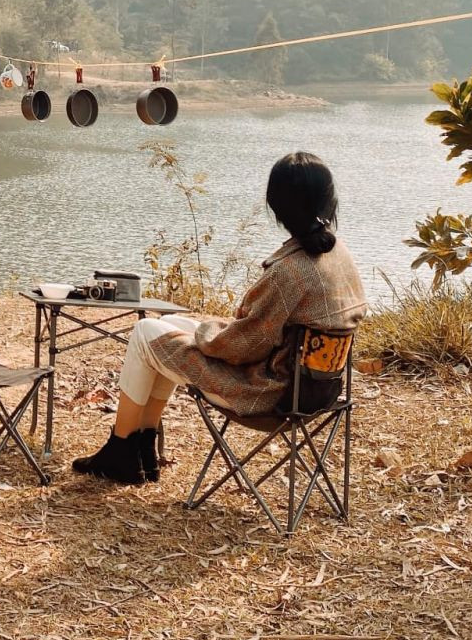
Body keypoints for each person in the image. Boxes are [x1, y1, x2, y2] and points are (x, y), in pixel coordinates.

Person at [72, 151, 368, 486]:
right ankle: (143, 447)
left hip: (269, 394)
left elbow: (241, 347)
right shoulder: (339, 255)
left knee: (144, 332)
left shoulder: (290, 272)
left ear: (276, 206)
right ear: (329, 201)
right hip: (318, 390)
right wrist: (206, 330)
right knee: (169, 330)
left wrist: (209, 329)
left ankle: (121, 450)